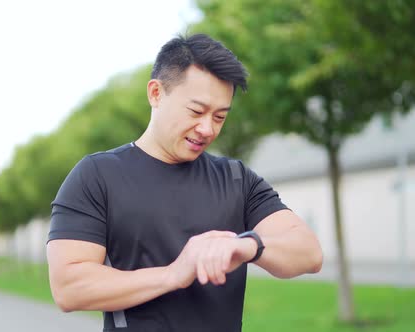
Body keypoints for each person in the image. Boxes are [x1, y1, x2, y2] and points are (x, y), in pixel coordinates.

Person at [46, 34, 323, 332]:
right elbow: (69, 287)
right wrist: (174, 274)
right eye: (196, 111)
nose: (207, 128)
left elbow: (309, 253)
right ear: (156, 93)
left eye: (219, 117)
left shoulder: (236, 178)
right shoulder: (96, 175)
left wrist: (247, 246)